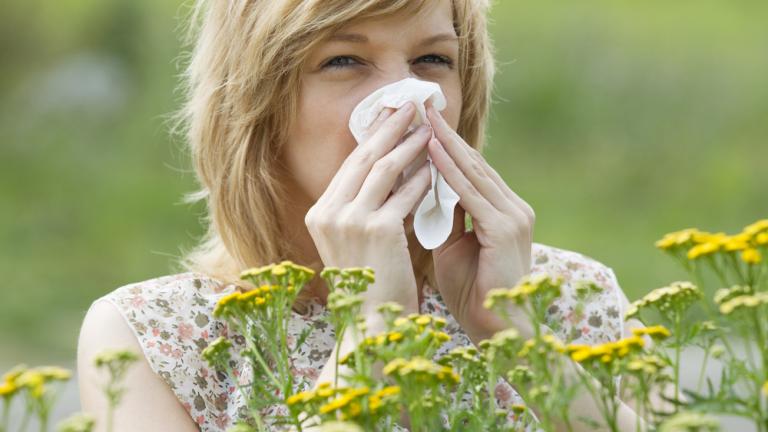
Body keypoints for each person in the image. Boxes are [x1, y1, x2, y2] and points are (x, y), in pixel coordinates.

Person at [77, 0, 651, 430]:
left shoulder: (577, 301)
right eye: (344, 60)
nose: (408, 97)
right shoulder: (155, 337)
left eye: (432, 59)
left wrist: (514, 333)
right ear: (256, 105)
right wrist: (372, 328)